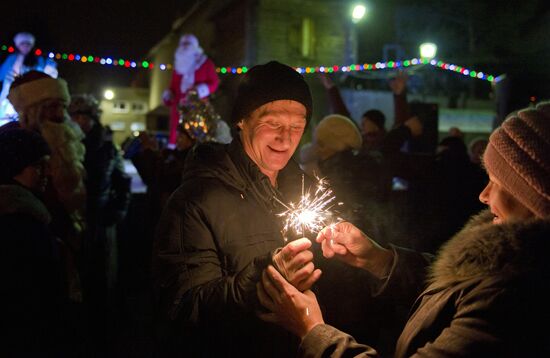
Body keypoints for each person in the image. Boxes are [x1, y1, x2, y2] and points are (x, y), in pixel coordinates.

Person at [257, 101, 550, 357]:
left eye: (497, 182)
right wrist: (378, 259)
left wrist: (312, 330)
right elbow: (450, 292)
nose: (483, 195)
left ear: (533, 197)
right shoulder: (501, 264)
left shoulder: (515, 298)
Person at [153, 60, 330, 357]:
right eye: (273, 123)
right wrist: (262, 280)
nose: (285, 138)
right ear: (242, 121)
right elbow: (183, 308)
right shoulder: (194, 201)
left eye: (296, 127)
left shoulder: (307, 191)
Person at [5, 70, 87, 302]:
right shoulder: (11, 143)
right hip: (27, 253)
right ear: (31, 109)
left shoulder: (70, 142)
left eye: (62, 106)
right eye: (51, 106)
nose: (60, 114)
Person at [0, 128, 67, 356]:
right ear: (13, 167)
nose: (47, 172)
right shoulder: (16, 220)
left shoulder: (31, 208)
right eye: (38, 165)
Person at [162, 34, 219, 146]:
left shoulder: (205, 63)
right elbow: (173, 87)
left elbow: (214, 83)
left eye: (188, 44)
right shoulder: (177, 67)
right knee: (177, 135)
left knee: (198, 135)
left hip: (198, 107)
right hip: (178, 110)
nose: (185, 47)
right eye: (183, 44)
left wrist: (200, 90)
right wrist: (168, 95)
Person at [0, 32, 58, 119]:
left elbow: (45, 76)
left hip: (32, 93)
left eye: (28, 44)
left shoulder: (39, 60)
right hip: (11, 93)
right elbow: (2, 75)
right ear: (17, 45)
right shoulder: (11, 59)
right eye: (22, 44)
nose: (25, 46)